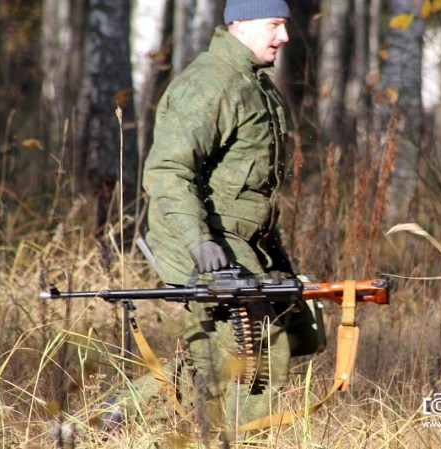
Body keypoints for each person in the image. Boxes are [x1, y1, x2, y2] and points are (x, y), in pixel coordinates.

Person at [138, 0, 296, 439]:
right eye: (275, 25)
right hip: (198, 238)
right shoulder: (210, 84)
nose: (284, 37)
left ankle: (116, 413)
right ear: (240, 23)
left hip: (235, 237)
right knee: (260, 345)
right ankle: (247, 438)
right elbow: (168, 171)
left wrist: (278, 255)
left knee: (301, 328)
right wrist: (198, 242)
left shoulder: (254, 84)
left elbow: (251, 190)